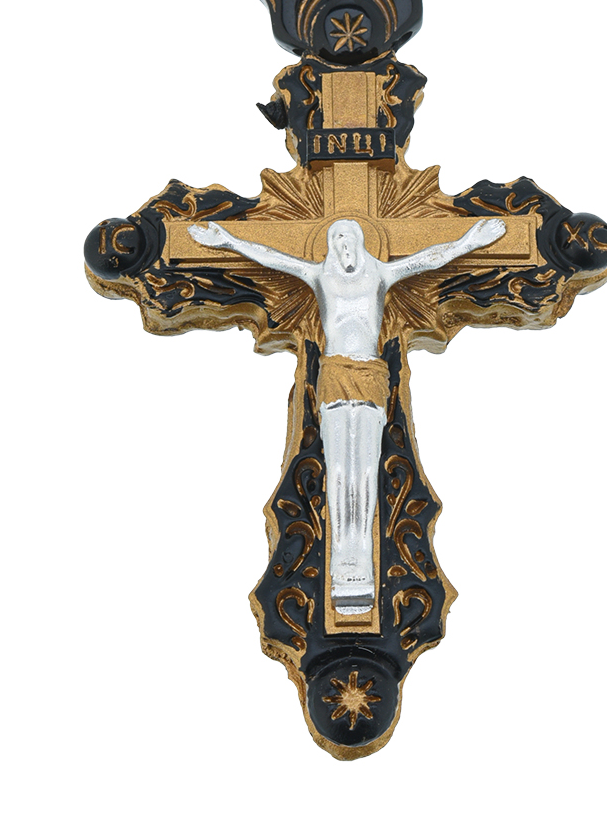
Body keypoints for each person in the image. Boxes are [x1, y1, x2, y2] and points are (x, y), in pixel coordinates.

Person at [189, 215, 506, 614]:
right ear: (329, 244)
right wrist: (227, 240)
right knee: (338, 468)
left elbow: (430, 258)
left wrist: (471, 241)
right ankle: (343, 559)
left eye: (348, 236)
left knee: (366, 468)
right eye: (336, 237)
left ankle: (363, 557)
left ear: (359, 240)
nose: (343, 244)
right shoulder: (319, 276)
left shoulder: (381, 275)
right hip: (334, 373)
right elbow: (271, 258)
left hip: (370, 373)